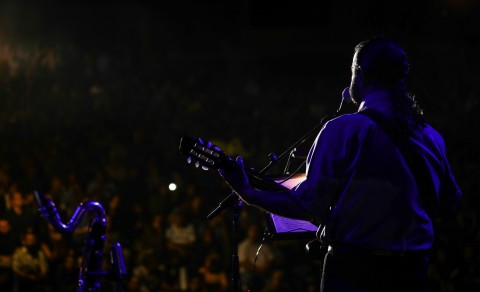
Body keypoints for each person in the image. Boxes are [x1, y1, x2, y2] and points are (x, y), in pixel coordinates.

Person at [219, 36, 462, 291]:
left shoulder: (344, 129)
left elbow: (305, 204)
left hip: (353, 273)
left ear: (360, 74)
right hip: (413, 272)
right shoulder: (431, 136)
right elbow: (450, 201)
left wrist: (247, 192)